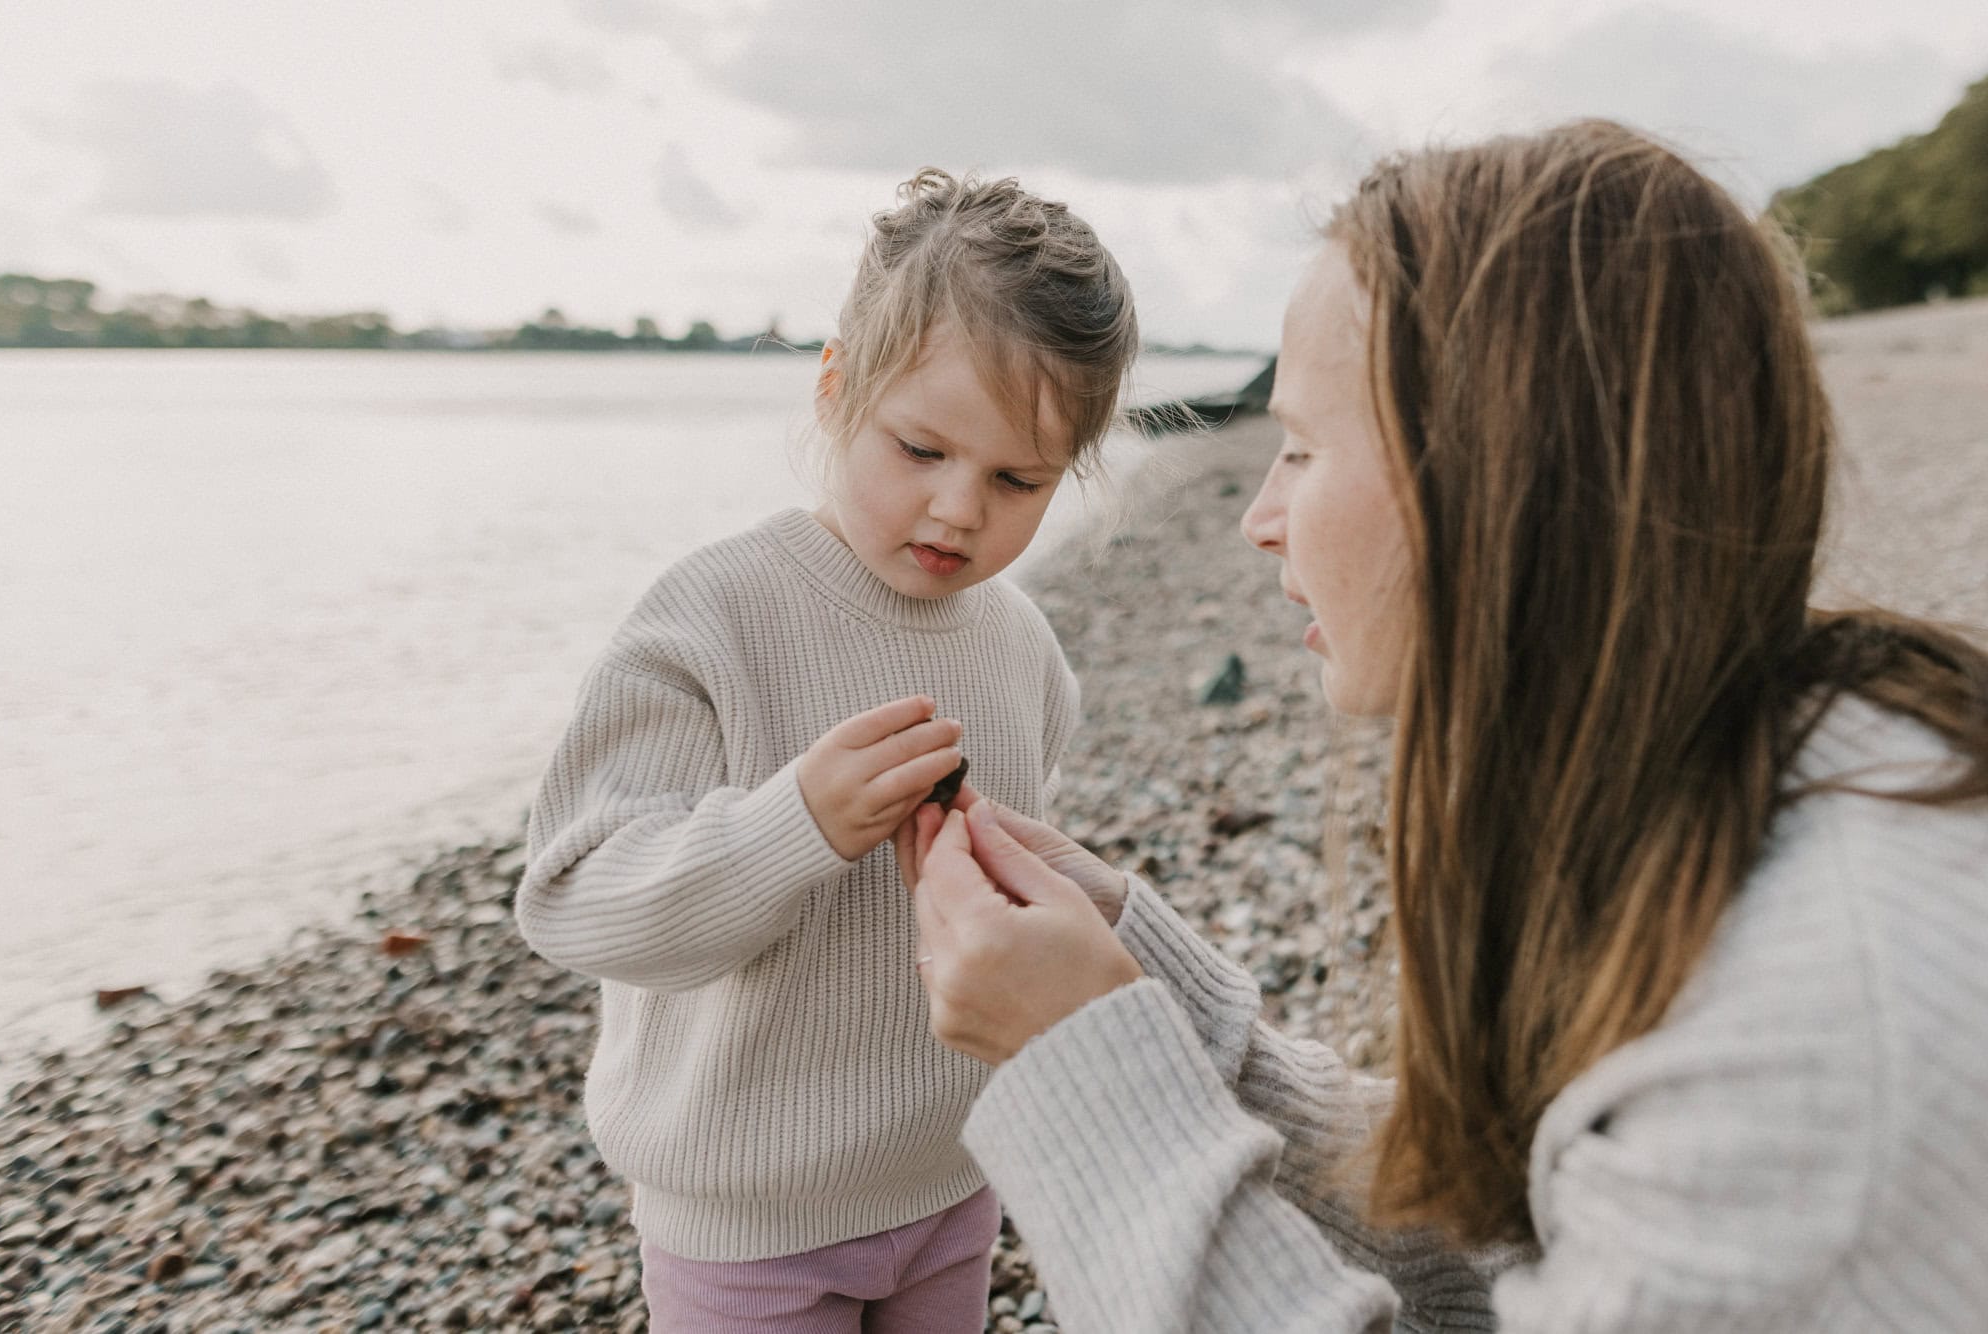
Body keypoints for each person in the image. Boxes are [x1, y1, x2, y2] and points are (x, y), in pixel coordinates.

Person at [899, 121, 1988, 1331]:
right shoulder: (1768, 763)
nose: (1259, 517)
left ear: (1498, 478)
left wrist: (1089, 1081)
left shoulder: (1809, 1050)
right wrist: (1143, 989)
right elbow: (1524, 1217)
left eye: (1302, 449)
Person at [514, 168, 1136, 1332]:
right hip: (746, 1218)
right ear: (836, 387)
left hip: (954, 1179)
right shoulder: (715, 615)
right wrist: (787, 822)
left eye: (1016, 479)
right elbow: (571, 900)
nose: (957, 508)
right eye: (920, 449)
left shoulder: (1021, 649)